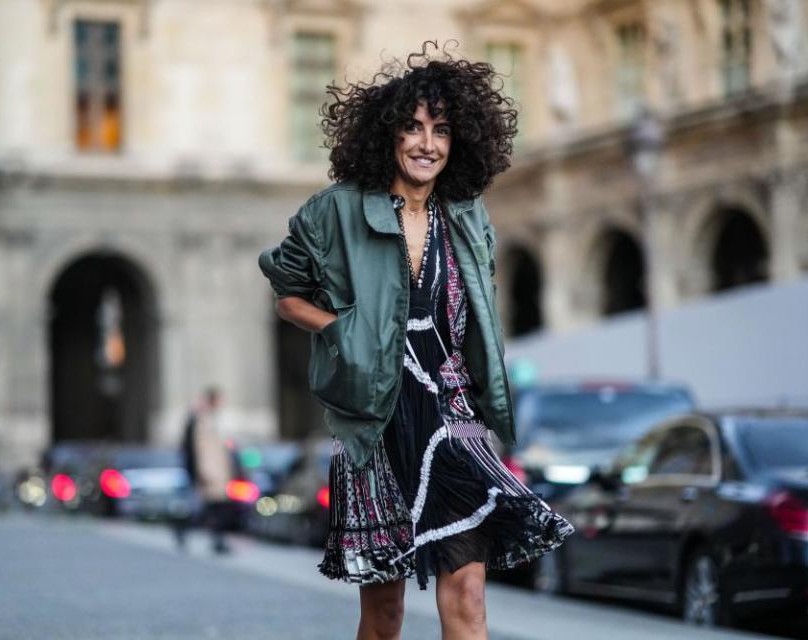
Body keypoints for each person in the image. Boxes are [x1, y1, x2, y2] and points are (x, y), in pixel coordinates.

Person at [259, 42, 574, 639]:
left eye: (442, 130)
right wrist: (339, 329)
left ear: (459, 142)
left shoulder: (468, 214)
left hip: (452, 415)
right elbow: (286, 289)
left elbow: (480, 309)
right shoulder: (337, 210)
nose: (427, 143)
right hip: (375, 423)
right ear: (388, 136)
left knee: (469, 591)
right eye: (412, 128)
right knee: (384, 612)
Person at [180, 387, 234, 554]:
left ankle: (186, 530)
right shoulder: (203, 420)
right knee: (215, 507)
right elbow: (201, 449)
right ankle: (215, 539)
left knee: (211, 508)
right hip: (211, 472)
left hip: (218, 471)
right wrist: (205, 471)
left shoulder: (212, 418)